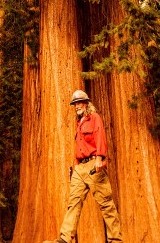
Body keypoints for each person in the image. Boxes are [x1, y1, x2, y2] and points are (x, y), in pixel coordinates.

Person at [53, 90, 123, 243]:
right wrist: (76, 165)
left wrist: (99, 158)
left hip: (94, 165)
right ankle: (65, 238)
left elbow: (100, 136)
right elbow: (80, 146)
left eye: (79, 102)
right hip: (80, 168)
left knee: (106, 204)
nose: (77, 106)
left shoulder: (94, 118)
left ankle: (115, 239)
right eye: (75, 103)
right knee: (74, 202)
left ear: (86, 103)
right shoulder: (79, 122)